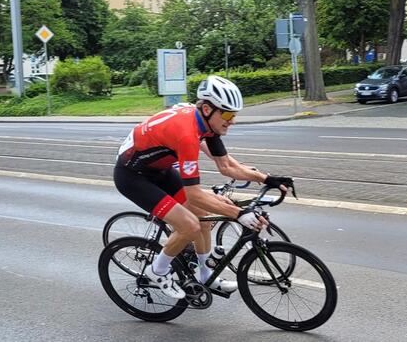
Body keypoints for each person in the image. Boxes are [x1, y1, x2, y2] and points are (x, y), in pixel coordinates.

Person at [114, 75, 289, 299]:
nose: (232, 121)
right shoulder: (187, 134)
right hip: (133, 177)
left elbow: (226, 166)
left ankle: (206, 276)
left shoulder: (207, 126)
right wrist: (239, 214)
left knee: (204, 219)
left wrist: (268, 179)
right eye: (227, 114)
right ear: (207, 109)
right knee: (190, 226)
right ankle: (157, 270)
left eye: (233, 115)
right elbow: (194, 194)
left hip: (160, 171)